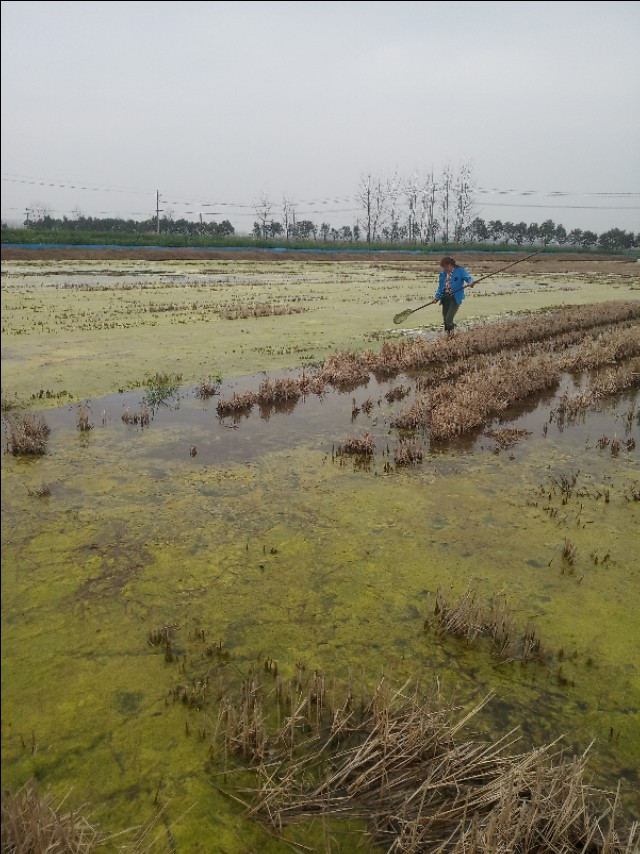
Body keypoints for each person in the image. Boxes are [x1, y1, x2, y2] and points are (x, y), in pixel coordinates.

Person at [434, 256, 474, 334]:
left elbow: (468, 278)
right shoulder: (443, 274)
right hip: (445, 297)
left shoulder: (460, 270)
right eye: (443, 267)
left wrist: (471, 282)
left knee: (449, 318)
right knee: (445, 319)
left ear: (450, 265)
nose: (444, 269)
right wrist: (436, 297)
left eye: (445, 267)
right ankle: (447, 335)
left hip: (455, 298)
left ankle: (452, 334)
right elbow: (440, 287)